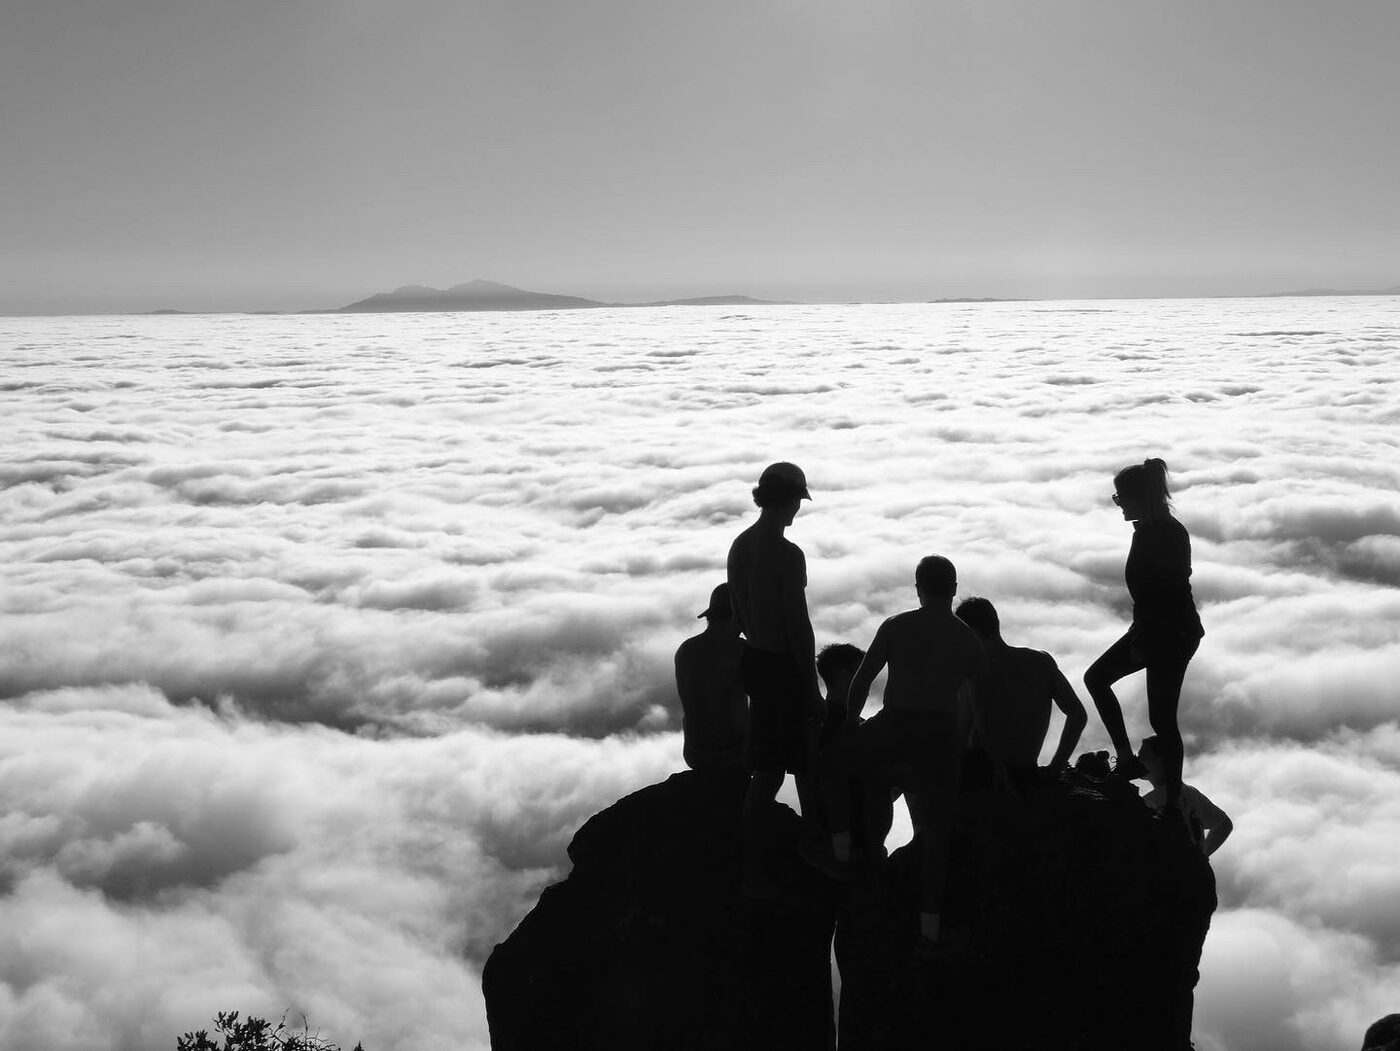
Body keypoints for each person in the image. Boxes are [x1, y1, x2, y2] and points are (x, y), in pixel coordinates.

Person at [819, 556, 985, 954]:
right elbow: (980, 707)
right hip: (941, 736)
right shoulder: (968, 640)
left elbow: (861, 682)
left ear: (918, 588)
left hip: (893, 727)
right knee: (936, 839)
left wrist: (849, 724)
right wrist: (973, 751)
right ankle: (929, 929)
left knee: (831, 761)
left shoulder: (897, 626)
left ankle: (841, 851)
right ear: (954, 587)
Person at [1084, 458, 1204, 815]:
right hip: (1157, 630)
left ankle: (1171, 799)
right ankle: (1127, 761)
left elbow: (1167, 593)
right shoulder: (1152, 530)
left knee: (1162, 719)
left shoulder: (1164, 533)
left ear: (1140, 498)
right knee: (1099, 680)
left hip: (1172, 634)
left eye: (1121, 498)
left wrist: (1144, 644)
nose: (1119, 503)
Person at [726, 461, 823, 900]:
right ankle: (812, 845)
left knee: (766, 762)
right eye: (796, 501)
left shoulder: (740, 545)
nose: (795, 511)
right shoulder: (787, 554)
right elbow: (797, 624)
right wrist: (810, 682)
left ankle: (751, 859)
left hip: (754, 658)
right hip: (784, 665)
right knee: (799, 759)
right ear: (786, 500)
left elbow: (741, 615)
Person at [954, 596, 1088, 793]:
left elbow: (960, 735)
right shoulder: (1041, 662)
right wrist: (1056, 767)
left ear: (970, 633)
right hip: (1026, 772)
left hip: (983, 775)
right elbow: (1078, 715)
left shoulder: (974, 673)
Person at [675, 583, 747, 772]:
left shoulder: (686, 650)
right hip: (734, 754)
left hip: (694, 753)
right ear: (739, 615)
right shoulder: (742, 651)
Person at [1137, 736, 1233, 857]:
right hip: (1198, 873)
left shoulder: (1148, 802)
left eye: (1143, 756)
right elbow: (1224, 825)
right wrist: (1202, 857)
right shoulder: (1190, 792)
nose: (1138, 760)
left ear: (1161, 760)